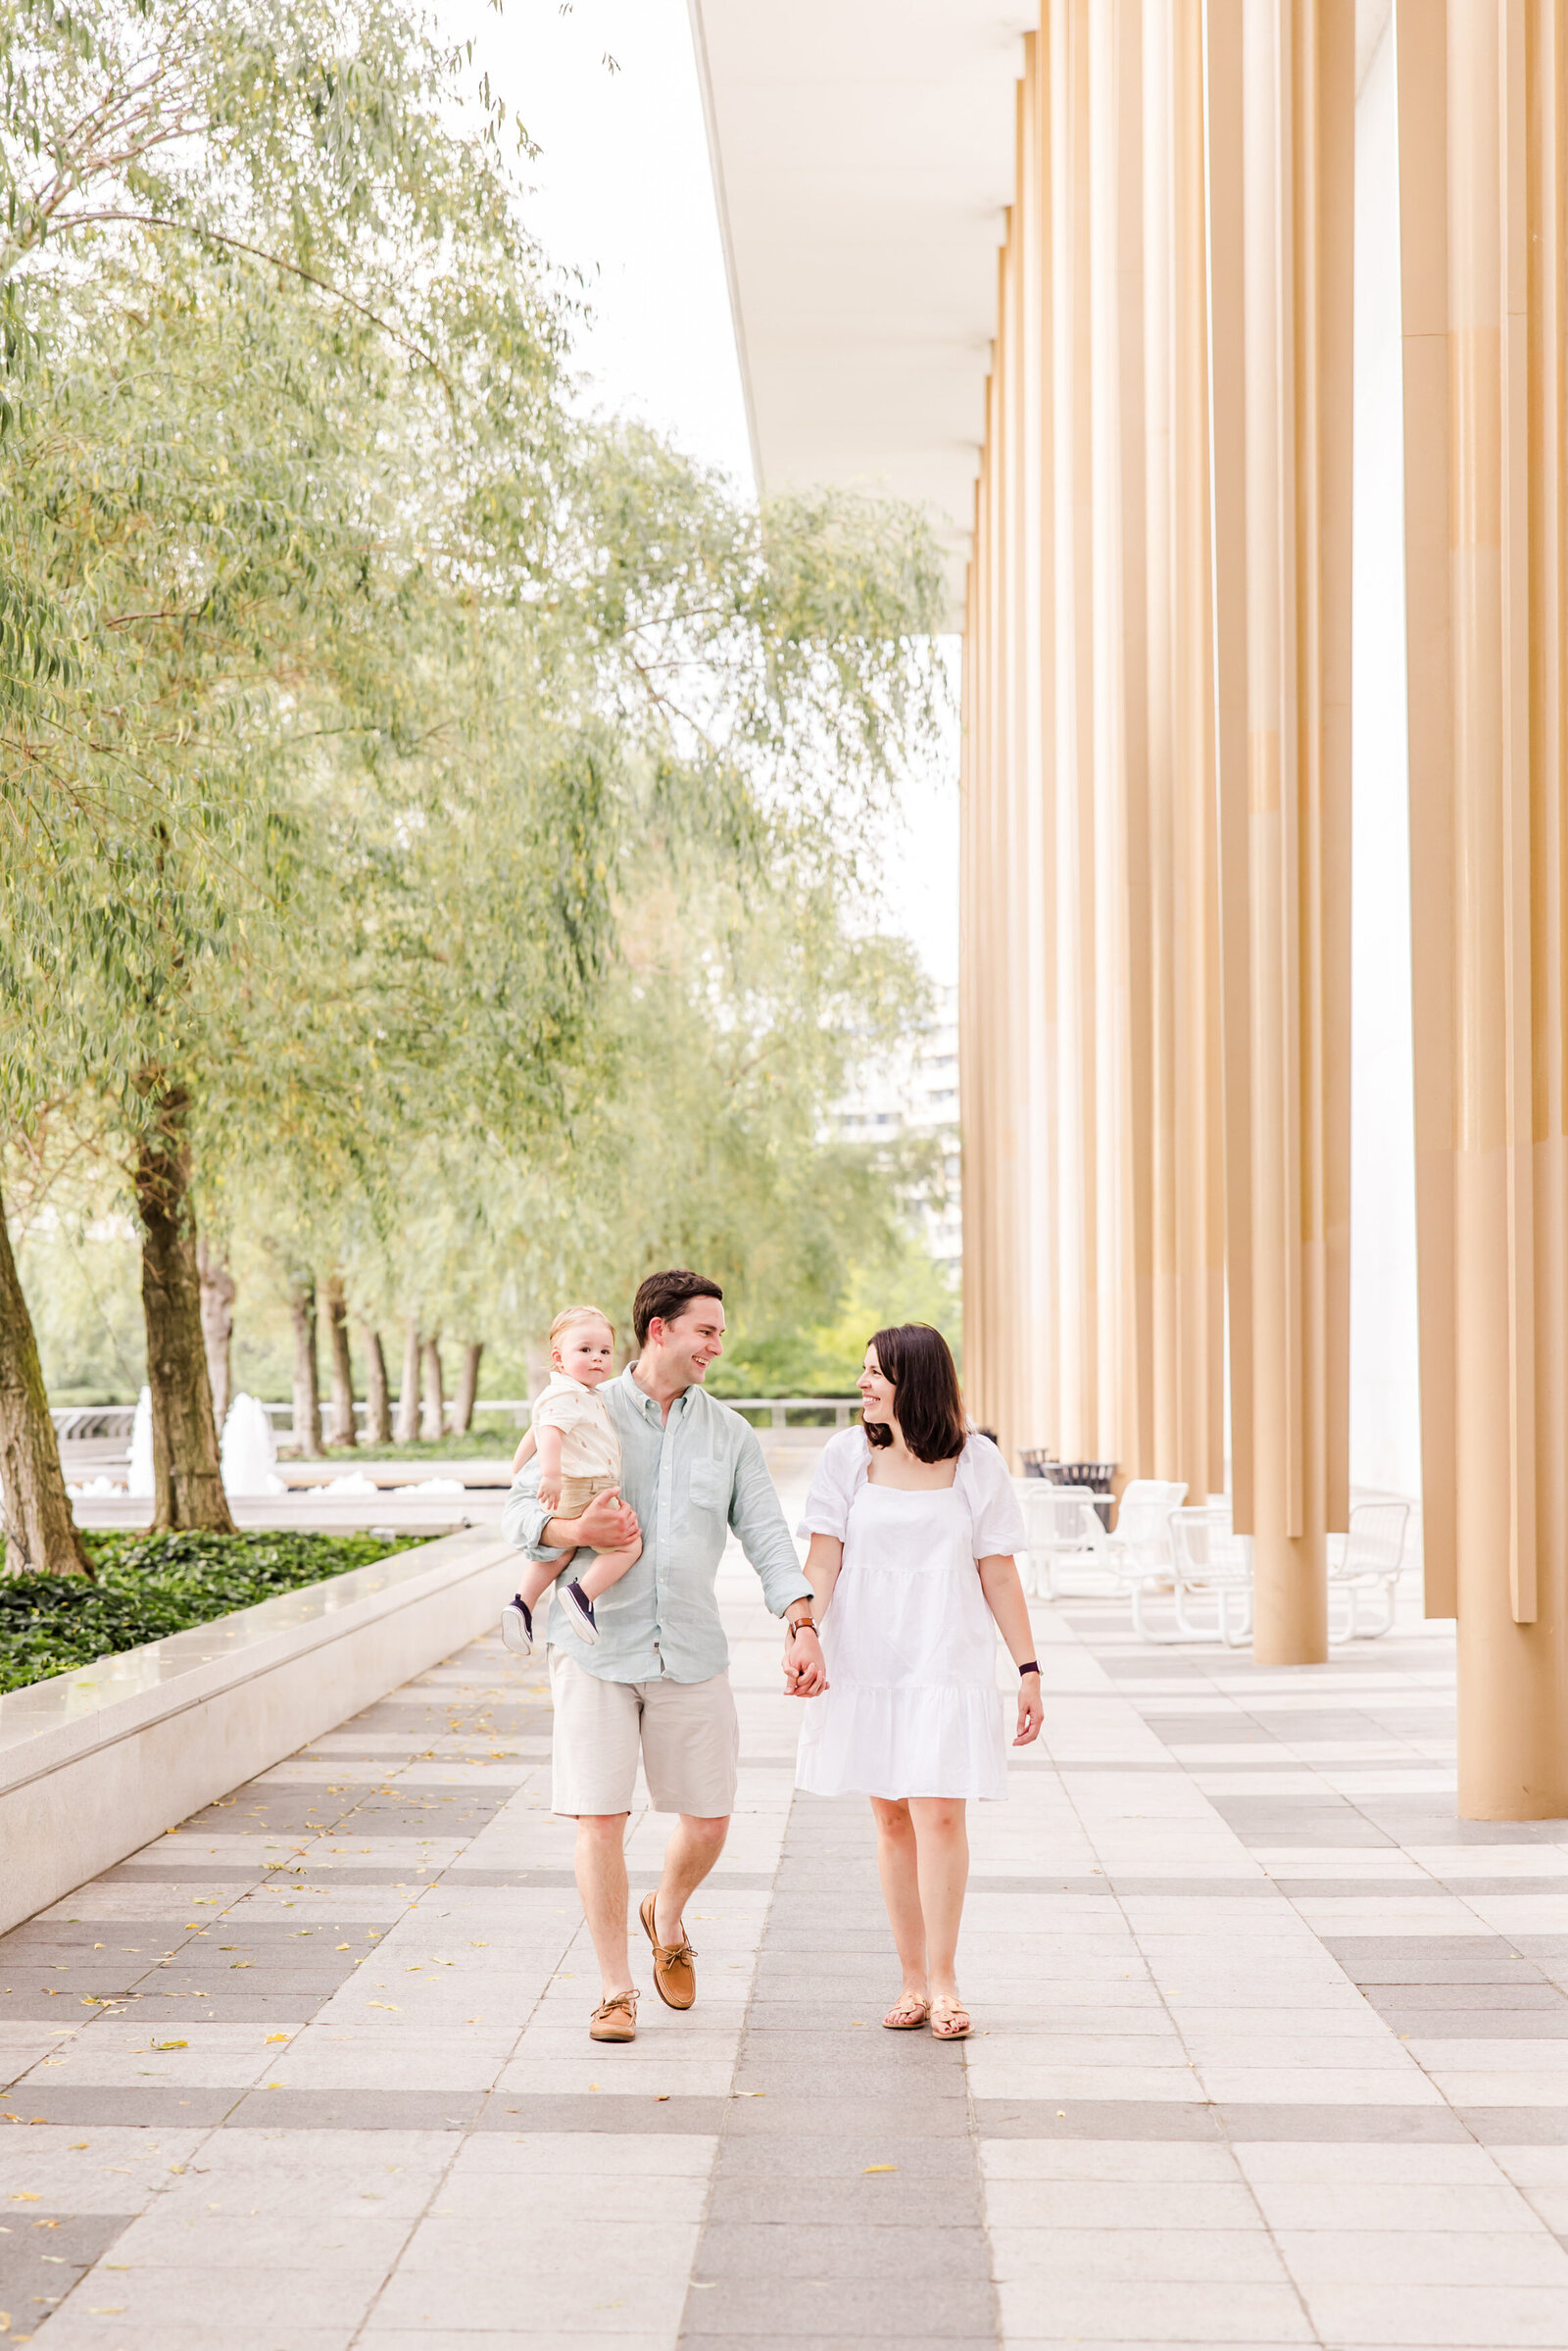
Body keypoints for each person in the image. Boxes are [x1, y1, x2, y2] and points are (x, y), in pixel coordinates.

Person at [502, 1268, 824, 2044]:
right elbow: (519, 1511)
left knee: (709, 1822)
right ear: (660, 1330)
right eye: (706, 1329)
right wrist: (578, 1536)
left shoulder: (731, 1434)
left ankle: (667, 1910)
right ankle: (615, 1989)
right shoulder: (582, 1405)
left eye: (718, 1331)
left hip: (690, 1647)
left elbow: (769, 1536)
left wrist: (801, 1615)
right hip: (593, 1646)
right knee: (600, 1820)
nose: (718, 1343)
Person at [787, 1323, 1043, 2041]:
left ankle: (946, 1980)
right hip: (868, 1657)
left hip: (945, 1655)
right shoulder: (846, 1456)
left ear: (917, 1379)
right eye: (862, 1370)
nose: (863, 1383)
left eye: (877, 1372)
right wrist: (803, 1631)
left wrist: (1029, 1669)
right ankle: (909, 1978)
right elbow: (824, 1561)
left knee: (940, 1815)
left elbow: (998, 1569)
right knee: (892, 1817)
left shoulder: (976, 1460)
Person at [500, 1305, 642, 1649]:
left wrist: (518, 1467)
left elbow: (535, 1430)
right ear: (558, 1359)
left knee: (559, 1551)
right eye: (585, 1350)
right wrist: (549, 1475)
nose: (597, 1358)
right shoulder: (569, 1393)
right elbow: (548, 1432)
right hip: (588, 1487)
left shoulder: (576, 1393)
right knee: (628, 1544)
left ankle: (522, 1604)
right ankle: (582, 1595)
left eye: (605, 1351)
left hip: (577, 1488)